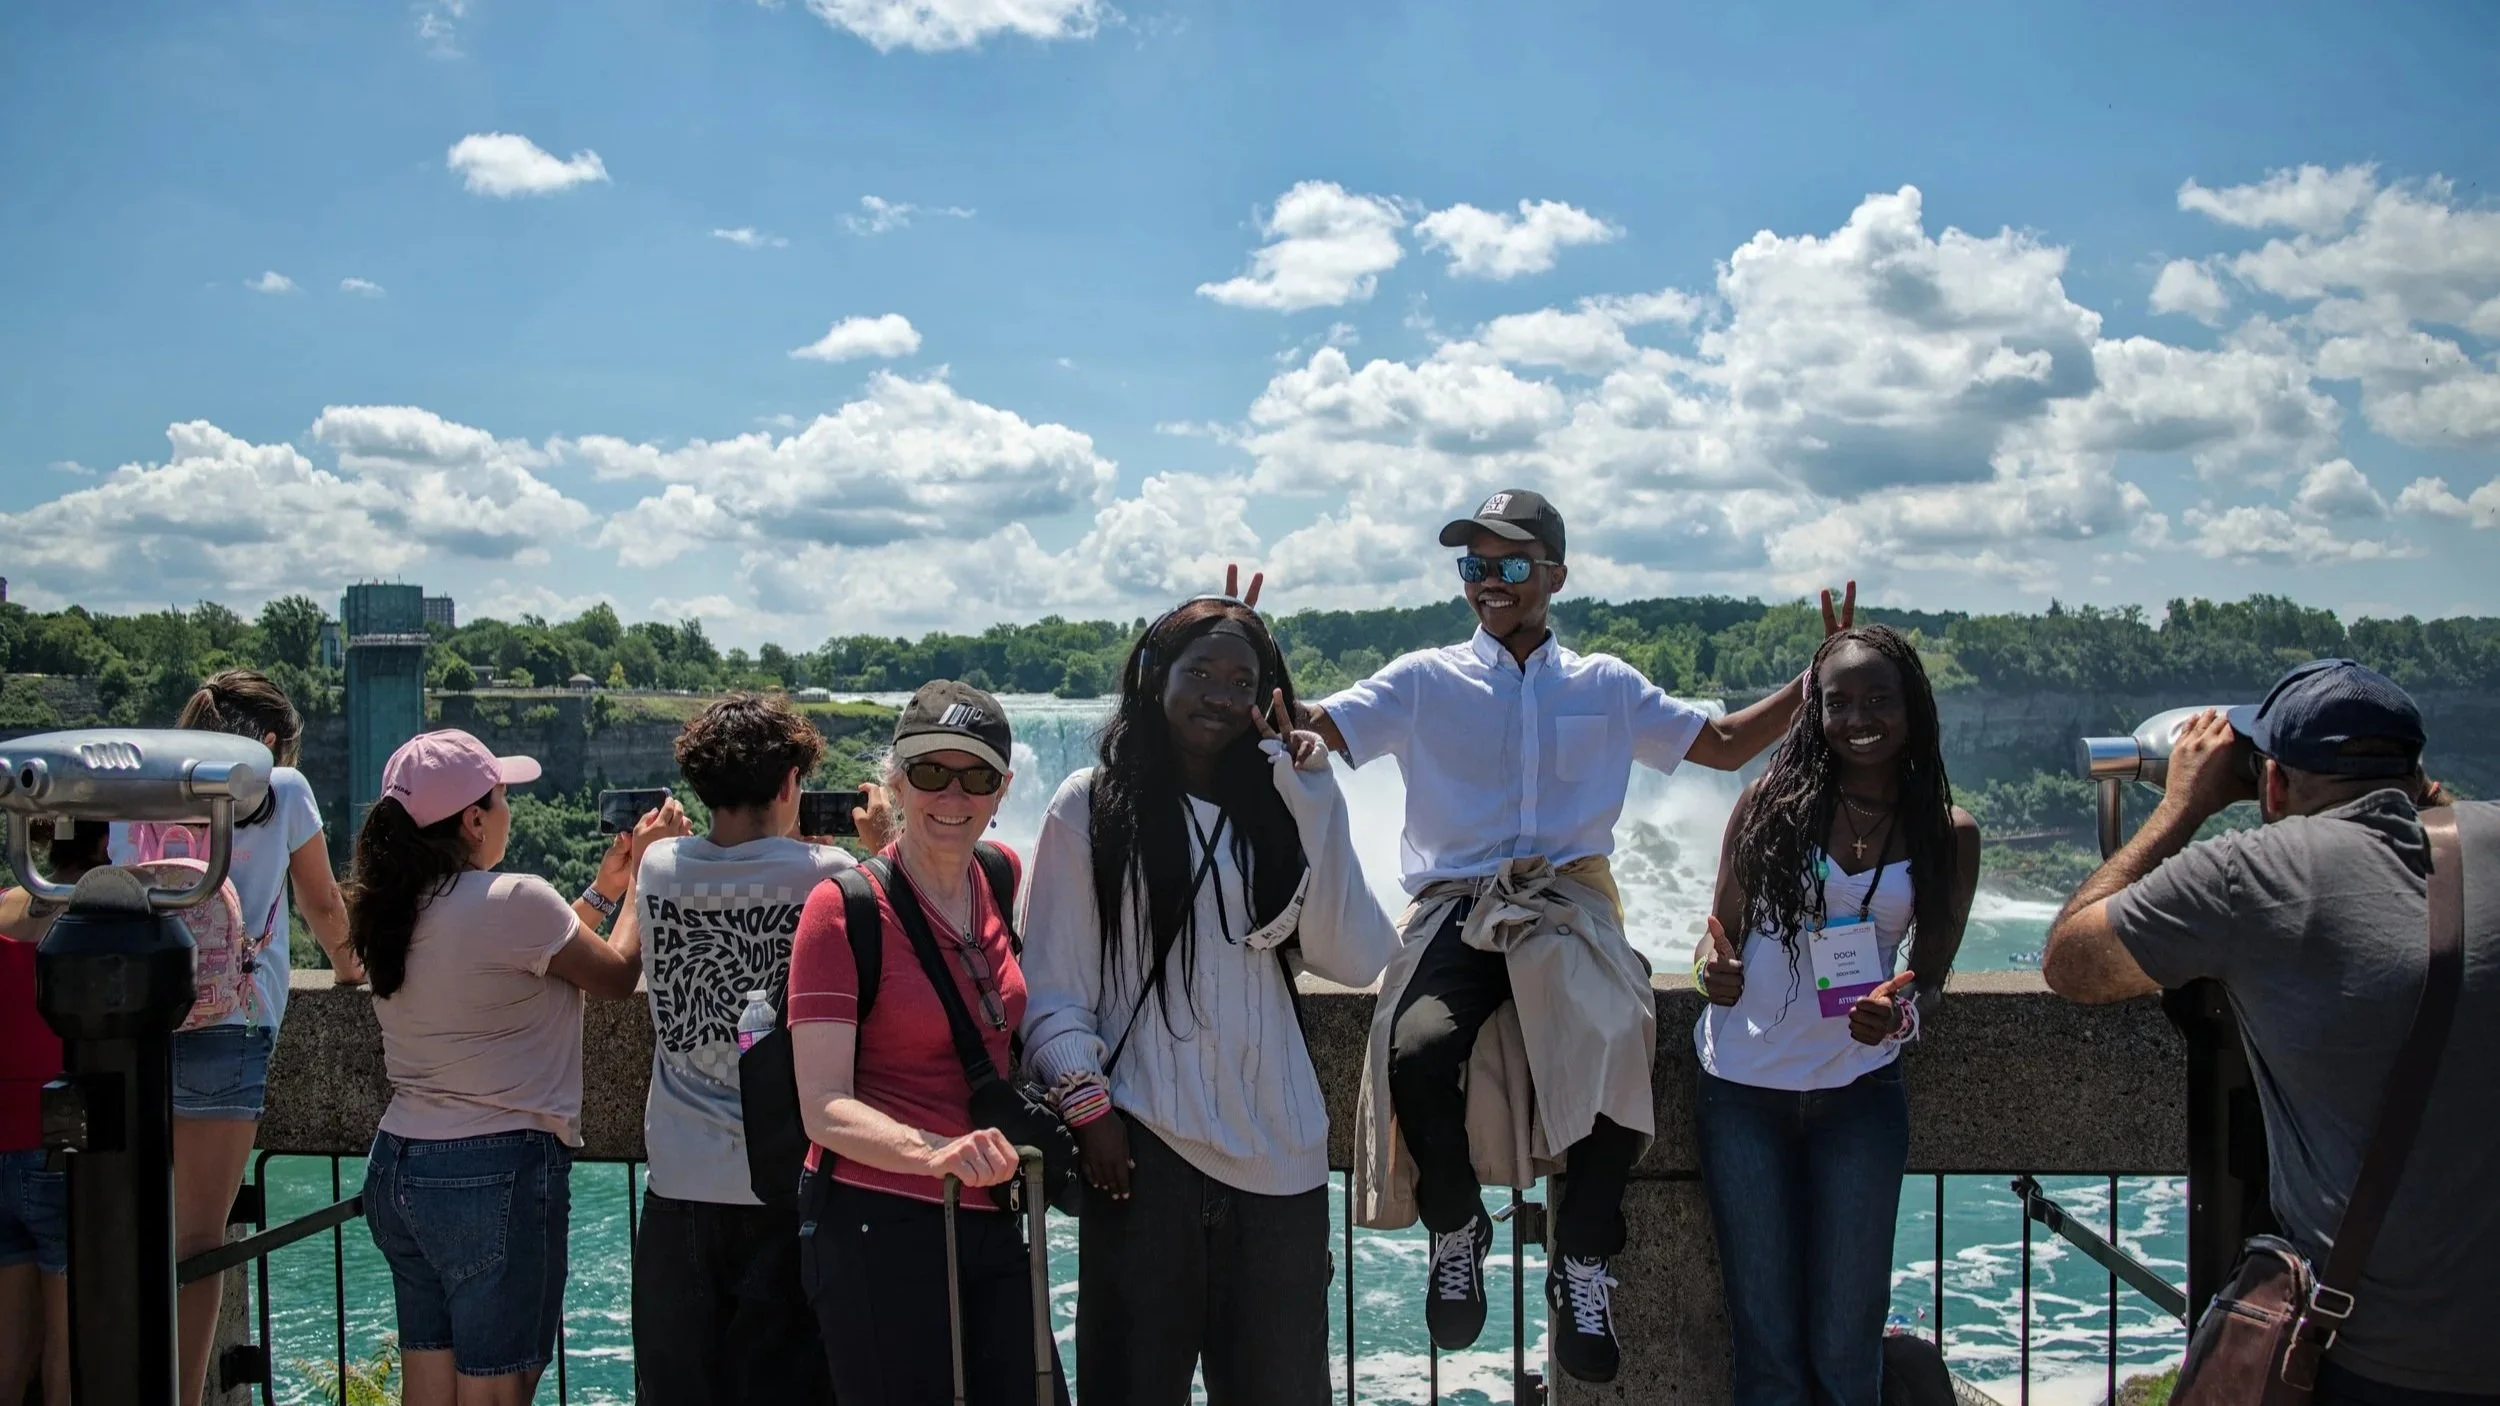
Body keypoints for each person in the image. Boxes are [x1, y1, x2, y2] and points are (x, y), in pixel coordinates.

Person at [1298, 488, 1843, 1382]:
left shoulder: (1606, 686)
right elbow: (1318, 724)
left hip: (1569, 902)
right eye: (1475, 565)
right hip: (1460, 906)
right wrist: (1252, 659)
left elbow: (1725, 743)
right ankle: (1457, 1222)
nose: (1490, 583)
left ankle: (1582, 1259)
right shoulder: (1425, 679)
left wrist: (1815, 677)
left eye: (1512, 564)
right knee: (1416, 1049)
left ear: (1555, 573)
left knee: (1621, 1038)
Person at [2043, 660, 2499, 1405]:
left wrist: (2183, 806)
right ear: (2418, 773)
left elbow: (2072, 961)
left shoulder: (2250, 874)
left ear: (2274, 784)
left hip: (2375, 1354)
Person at [1021, 597, 1399, 1404]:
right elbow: (1055, 993)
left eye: (1243, 679)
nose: (1221, 696)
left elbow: (1359, 954)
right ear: (1155, 677)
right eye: (1201, 673)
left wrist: (1315, 794)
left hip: (1282, 1161)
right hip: (1144, 1158)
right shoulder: (1091, 805)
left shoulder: (1282, 807)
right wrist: (1090, 1112)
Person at [347, 729, 685, 1406]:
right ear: (472, 820)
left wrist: (603, 889)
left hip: (401, 1167)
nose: (509, 812)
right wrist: (649, 874)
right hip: (492, 1173)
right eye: (501, 799)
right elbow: (616, 975)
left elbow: (528, 951)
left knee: (431, 1392)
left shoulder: (388, 907)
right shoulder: (514, 899)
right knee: (498, 1393)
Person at [1691, 625, 1980, 1405]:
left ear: (1912, 708)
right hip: (1743, 1092)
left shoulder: (1947, 833)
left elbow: (1932, 976)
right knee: (1768, 1346)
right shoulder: (1767, 805)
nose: (1860, 718)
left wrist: (1899, 1017)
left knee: (1848, 1348)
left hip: (1859, 1095)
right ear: (1813, 714)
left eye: (1879, 699)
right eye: (1838, 702)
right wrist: (1711, 972)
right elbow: (1716, 938)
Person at [787, 682, 1069, 1405]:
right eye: (929, 773)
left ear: (1003, 788)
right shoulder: (842, 909)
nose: (952, 795)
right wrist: (935, 1152)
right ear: (895, 781)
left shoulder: (1002, 877)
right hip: (880, 1223)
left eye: (975, 776)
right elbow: (821, 1106)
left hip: (990, 1213)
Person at [104, 670, 363, 1406]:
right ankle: (184, 1397)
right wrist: (350, 965)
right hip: (233, 1022)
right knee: (200, 1243)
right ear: (273, 741)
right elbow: (321, 903)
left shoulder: (145, 789)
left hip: (141, 1025)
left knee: (129, 1229)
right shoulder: (282, 791)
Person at [626, 693, 891, 1406]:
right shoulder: (830, 872)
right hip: (788, 1183)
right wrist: (887, 844)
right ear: (787, 785)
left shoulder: (657, 871)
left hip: (678, 1185)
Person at [0, 820, 111, 1406]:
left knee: (10, 1359)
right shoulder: (92, 923)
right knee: (67, 1353)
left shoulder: (1, 910)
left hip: (1, 1144)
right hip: (57, 1147)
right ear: (103, 844)